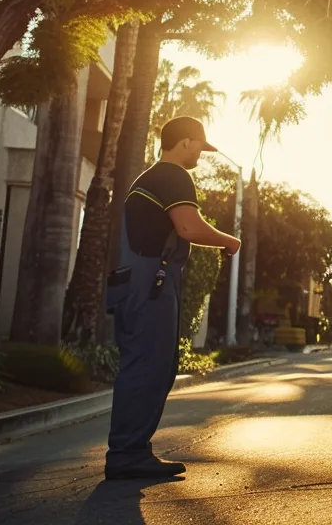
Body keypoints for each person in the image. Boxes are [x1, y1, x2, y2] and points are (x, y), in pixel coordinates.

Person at [104, 117, 241, 480]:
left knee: (150, 366)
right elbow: (188, 227)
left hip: (138, 282)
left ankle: (130, 450)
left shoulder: (148, 178)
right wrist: (229, 241)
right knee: (149, 366)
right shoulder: (173, 175)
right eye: (199, 145)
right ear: (185, 142)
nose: (200, 153)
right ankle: (127, 454)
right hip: (152, 284)